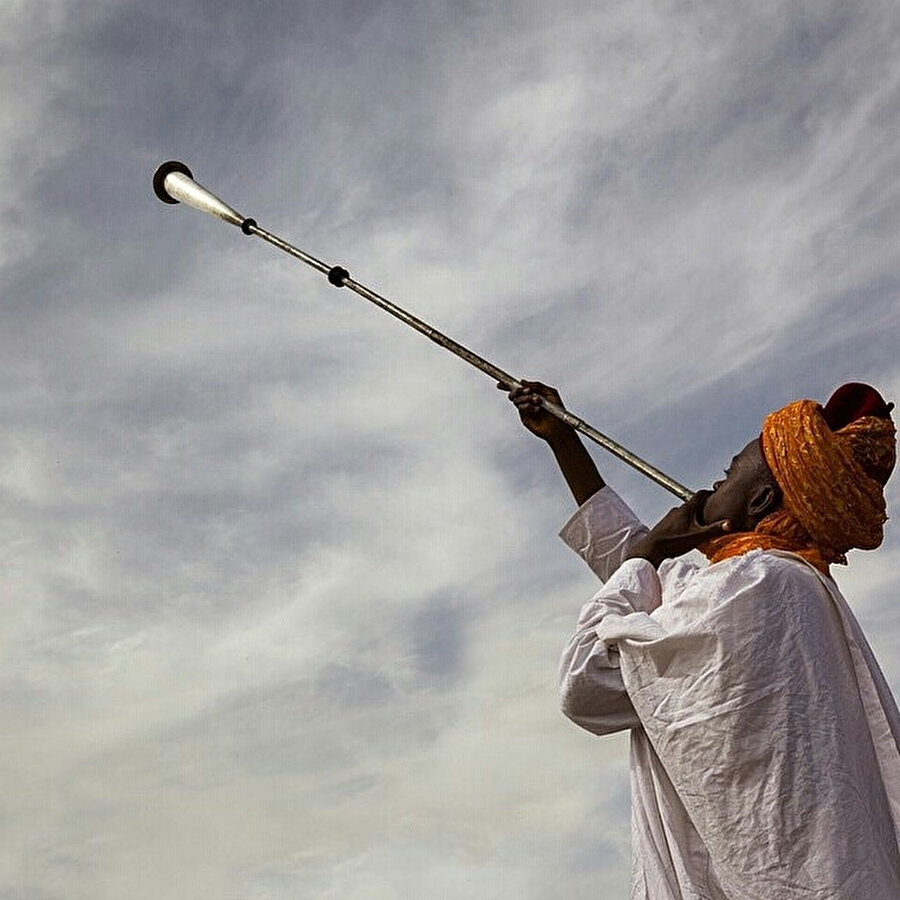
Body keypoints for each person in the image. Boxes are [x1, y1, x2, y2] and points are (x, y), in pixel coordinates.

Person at [503, 380, 900, 898]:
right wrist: (564, 440)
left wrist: (650, 553)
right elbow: (639, 585)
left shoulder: (754, 585)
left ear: (758, 499)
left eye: (727, 475)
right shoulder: (784, 583)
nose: (709, 490)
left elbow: (586, 682)